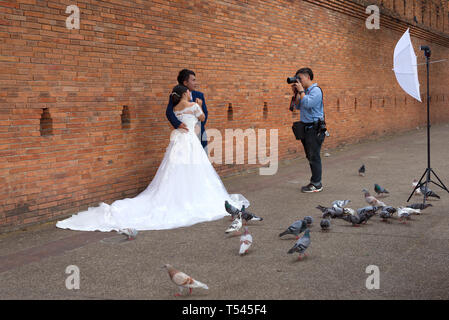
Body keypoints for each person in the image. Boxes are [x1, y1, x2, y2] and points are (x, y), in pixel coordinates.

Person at [55, 85, 249, 232]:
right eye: (188, 91)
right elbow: (203, 118)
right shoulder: (192, 105)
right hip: (189, 140)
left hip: (178, 141)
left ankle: (176, 194)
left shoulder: (175, 109)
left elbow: (177, 119)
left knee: (173, 169)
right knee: (195, 169)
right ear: (184, 93)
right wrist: (198, 106)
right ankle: (190, 196)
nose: (191, 93)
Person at [291, 67, 325, 193]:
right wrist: (297, 92)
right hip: (306, 128)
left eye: (300, 78)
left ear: (308, 77)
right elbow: (298, 106)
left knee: (314, 156)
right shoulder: (304, 91)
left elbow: (308, 104)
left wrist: (301, 91)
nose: (298, 81)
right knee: (310, 156)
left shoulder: (316, 91)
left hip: (315, 128)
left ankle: (317, 184)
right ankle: (315, 182)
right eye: (297, 78)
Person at [166, 69, 209, 153]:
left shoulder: (199, 95)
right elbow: (169, 112)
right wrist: (178, 124)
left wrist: (198, 127)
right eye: (193, 80)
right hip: (183, 135)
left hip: (199, 133)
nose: (195, 83)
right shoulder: (175, 96)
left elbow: (205, 113)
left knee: (202, 158)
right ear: (185, 83)